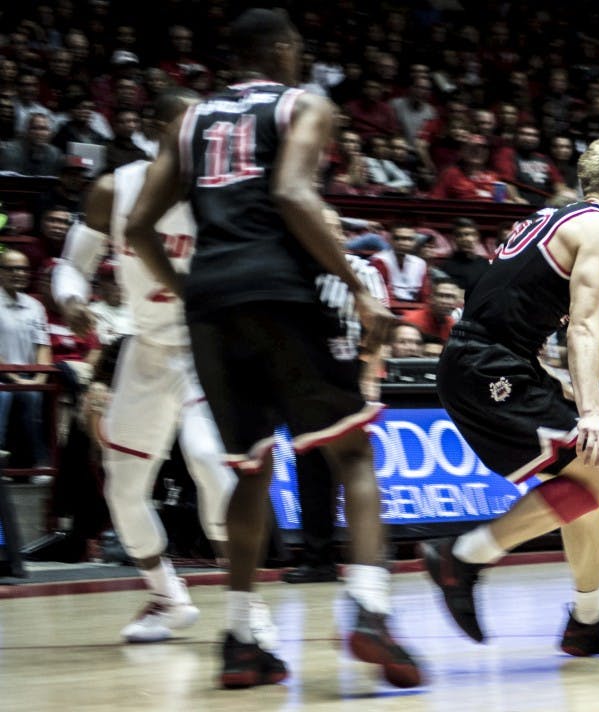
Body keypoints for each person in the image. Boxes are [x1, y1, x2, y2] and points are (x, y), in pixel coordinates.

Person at [123, 9, 419, 689]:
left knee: (249, 471)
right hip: (284, 292)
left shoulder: (189, 119)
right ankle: (371, 610)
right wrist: (360, 285)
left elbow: (139, 227)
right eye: (297, 49)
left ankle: (239, 639)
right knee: (353, 455)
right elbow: (289, 192)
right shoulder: (301, 104)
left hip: (212, 309)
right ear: (282, 50)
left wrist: (189, 288)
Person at [422, 135, 599, 657]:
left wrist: (563, 386)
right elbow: (583, 328)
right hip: (487, 366)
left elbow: (509, 312)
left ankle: (588, 619)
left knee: (589, 482)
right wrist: (587, 410)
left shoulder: (551, 217)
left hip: (486, 359)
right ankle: (462, 556)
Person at [51, 87, 270, 646]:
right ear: (158, 129)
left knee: (206, 458)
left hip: (208, 349)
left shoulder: (226, 193)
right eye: (187, 123)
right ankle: (166, 597)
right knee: (123, 488)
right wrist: (74, 302)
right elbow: (70, 269)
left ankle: (248, 605)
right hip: (144, 350)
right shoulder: (114, 189)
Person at [285, 206, 392, 585]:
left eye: (331, 226)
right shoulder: (293, 268)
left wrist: (368, 378)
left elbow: (379, 326)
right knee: (310, 470)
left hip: (346, 371)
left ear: (343, 234)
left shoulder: (360, 270)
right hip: (301, 377)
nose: (323, 232)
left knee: (353, 465)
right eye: (316, 224)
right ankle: (318, 559)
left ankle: (371, 554)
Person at [0, 248, 51, 469]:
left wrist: (40, 378)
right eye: (12, 269)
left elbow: (43, 345)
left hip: (29, 375)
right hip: (2, 377)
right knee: (3, 397)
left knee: (32, 396)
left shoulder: (35, 306)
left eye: (23, 269)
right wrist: (16, 380)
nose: (18, 273)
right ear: (0, 272)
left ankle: (36, 463)